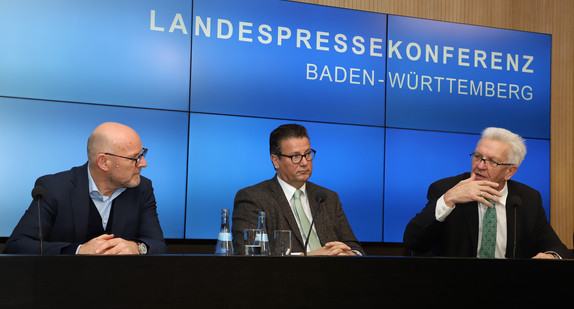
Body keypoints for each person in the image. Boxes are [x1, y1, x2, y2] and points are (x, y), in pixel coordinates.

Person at [404, 127, 572, 259]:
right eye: (477, 156)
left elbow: (557, 248)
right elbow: (413, 242)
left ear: (510, 172)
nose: (480, 166)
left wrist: (551, 256)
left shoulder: (528, 200)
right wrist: (448, 200)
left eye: (491, 161)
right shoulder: (445, 189)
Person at [4, 122, 167, 255]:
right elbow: (17, 246)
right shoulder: (54, 188)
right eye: (135, 158)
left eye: (142, 154)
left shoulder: (142, 189)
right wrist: (78, 251)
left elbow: (158, 245)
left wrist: (136, 248)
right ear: (104, 162)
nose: (144, 163)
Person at [232, 124, 364, 256]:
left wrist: (349, 255)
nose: (305, 162)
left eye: (307, 154)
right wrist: (309, 258)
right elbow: (248, 256)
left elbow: (355, 247)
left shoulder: (328, 198)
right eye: (295, 156)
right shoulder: (253, 198)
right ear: (276, 160)